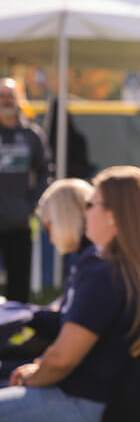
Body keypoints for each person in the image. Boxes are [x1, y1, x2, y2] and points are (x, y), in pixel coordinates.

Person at [0, 166, 140, 422]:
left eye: (92, 204)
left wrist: (34, 374)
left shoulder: (104, 274)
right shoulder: (133, 268)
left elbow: (62, 358)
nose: (84, 211)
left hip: (82, 405)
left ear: (113, 215)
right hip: (104, 405)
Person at [0, 179, 97, 379]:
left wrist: (27, 314)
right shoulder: (88, 258)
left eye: (47, 228)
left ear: (64, 219)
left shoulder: (94, 263)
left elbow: (67, 327)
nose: (51, 239)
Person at [0, 77, 51, 302]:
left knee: (18, 278)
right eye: (2, 96)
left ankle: (15, 323)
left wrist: (33, 203)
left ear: (19, 99)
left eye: (11, 95)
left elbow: (44, 170)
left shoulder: (32, 135)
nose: (6, 100)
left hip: (19, 219)